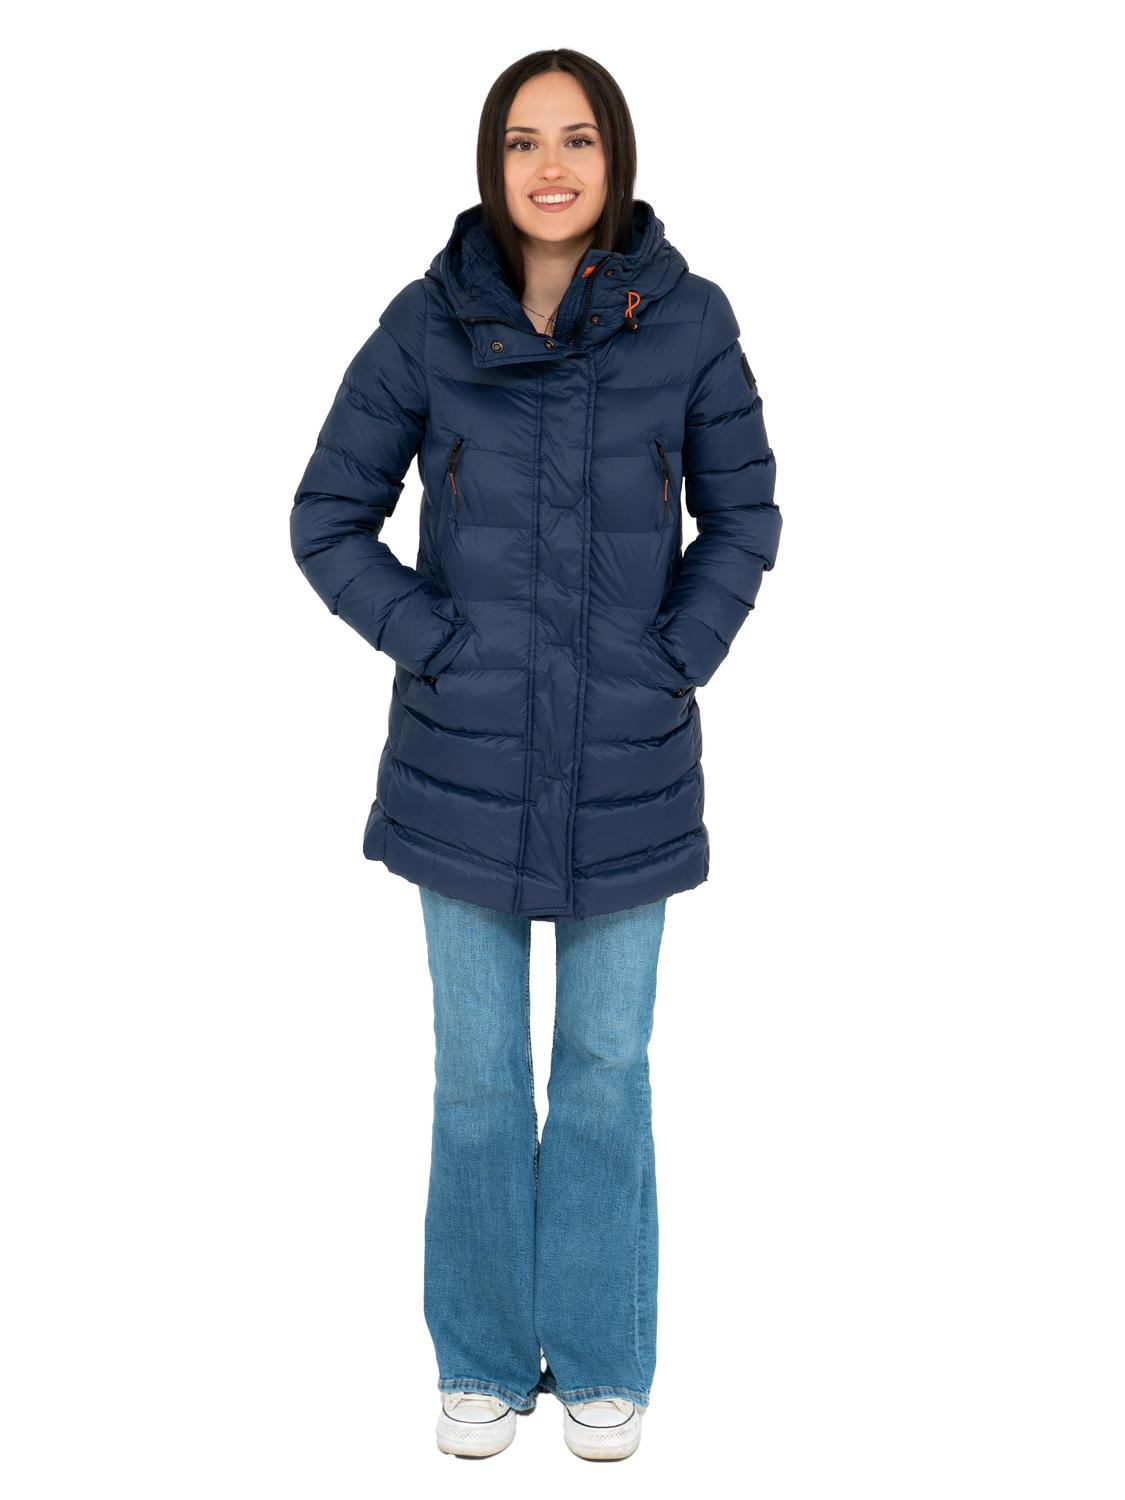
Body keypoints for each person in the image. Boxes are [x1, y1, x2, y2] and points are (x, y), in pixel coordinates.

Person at [290, 48, 781, 1462]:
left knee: (609, 1068)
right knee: (478, 1078)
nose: (549, 166)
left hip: (630, 758)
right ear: (490, 164)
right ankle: (485, 1361)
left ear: (614, 157)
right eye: (521, 141)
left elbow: (744, 516)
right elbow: (326, 517)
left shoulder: (688, 320)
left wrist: (674, 656)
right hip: (461, 762)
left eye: (574, 138)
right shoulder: (426, 322)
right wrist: (434, 645)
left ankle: (607, 1359)